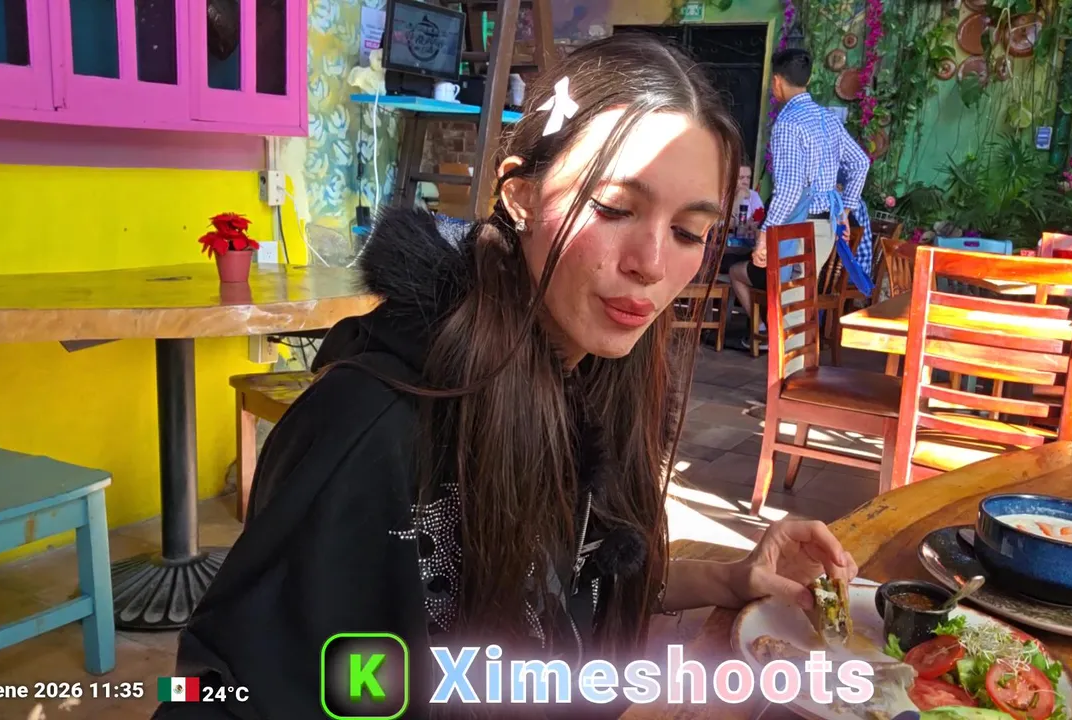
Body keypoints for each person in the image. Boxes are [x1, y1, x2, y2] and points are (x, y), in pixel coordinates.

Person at [152, 34, 857, 720]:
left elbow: (559, 582)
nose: (650, 263)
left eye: (688, 232)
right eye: (614, 208)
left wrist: (730, 578)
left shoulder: (593, 373)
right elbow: (223, 691)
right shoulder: (377, 429)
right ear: (518, 195)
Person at [732, 48, 872, 333]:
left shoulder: (787, 123)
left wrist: (764, 235)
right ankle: (790, 359)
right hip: (824, 229)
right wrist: (844, 212)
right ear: (806, 80)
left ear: (776, 81)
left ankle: (788, 362)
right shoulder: (828, 119)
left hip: (796, 229)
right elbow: (860, 162)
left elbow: (790, 188)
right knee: (797, 303)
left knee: (790, 310)